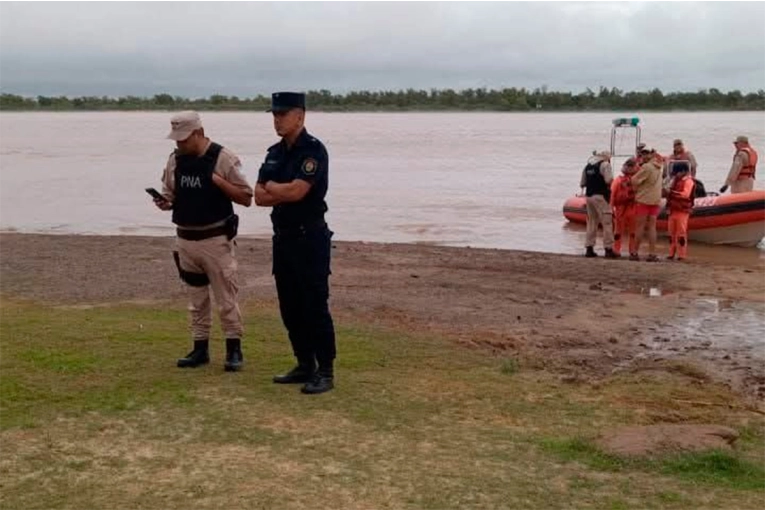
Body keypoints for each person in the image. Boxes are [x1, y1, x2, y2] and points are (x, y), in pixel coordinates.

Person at [154, 111, 253, 371]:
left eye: (183, 139)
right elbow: (171, 194)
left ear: (198, 133)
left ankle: (234, 350)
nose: (179, 144)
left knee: (226, 298)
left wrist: (217, 181)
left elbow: (246, 196)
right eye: (176, 140)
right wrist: (165, 202)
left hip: (215, 240)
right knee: (195, 300)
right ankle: (200, 349)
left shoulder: (223, 158)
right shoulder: (175, 160)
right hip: (185, 239)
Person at [254, 92, 337, 395]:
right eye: (274, 114)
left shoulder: (313, 151)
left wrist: (276, 188)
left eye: (282, 114)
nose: (277, 120)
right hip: (284, 239)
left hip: (310, 238)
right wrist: (279, 190)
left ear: (300, 116)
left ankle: (325, 370)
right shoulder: (275, 152)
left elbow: (298, 192)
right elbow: (258, 196)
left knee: (314, 305)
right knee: (290, 307)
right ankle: (304, 364)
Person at [580, 151, 617, 258]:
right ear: (606, 157)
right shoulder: (605, 165)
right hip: (601, 196)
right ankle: (608, 249)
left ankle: (589, 248)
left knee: (591, 222)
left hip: (589, 196)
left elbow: (582, 183)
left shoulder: (587, 166)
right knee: (607, 223)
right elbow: (608, 180)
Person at [630, 147, 664, 262]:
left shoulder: (646, 167)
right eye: (643, 154)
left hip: (644, 200)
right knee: (652, 228)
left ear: (651, 154)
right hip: (655, 201)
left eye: (646, 153)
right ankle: (652, 253)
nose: (644, 156)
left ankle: (635, 252)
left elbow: (634, 180)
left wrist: (636, 187)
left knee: (639, 227)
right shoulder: (660, 166)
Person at [665, 161, 695, 261]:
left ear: (683, 171)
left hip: (682, 210)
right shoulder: (675, 180)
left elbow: (685, 194)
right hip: (673, 209)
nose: (675, 174)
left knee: (681, 233)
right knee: (671, 233)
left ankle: (681, 254)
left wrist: (671, 192)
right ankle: (671, 253)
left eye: (677, 172)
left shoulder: (688, 181)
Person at [610, 158, 638, 258]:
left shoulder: (618, 180)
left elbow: (612, 195)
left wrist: (611, 208)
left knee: (620, 231)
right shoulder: (635, 180)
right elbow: (613, 195)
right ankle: (631, 251)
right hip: (628, 209)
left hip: (624, 209)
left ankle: (617, 250)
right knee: (629, 232)